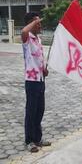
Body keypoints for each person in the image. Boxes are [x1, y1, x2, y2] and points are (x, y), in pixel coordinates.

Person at [21, 12, 51, 152]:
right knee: (31, 111)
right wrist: (34, 21)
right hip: (31, 82)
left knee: (40, 110)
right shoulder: (27, 39)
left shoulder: (38, 39)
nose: (39, 24)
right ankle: (29, 141)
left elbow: (39, 59)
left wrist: (44, 70)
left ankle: (38, 139)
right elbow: (23, 30)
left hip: (40, 79)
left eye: (40, 22)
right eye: (36, 22)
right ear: (30, 24)